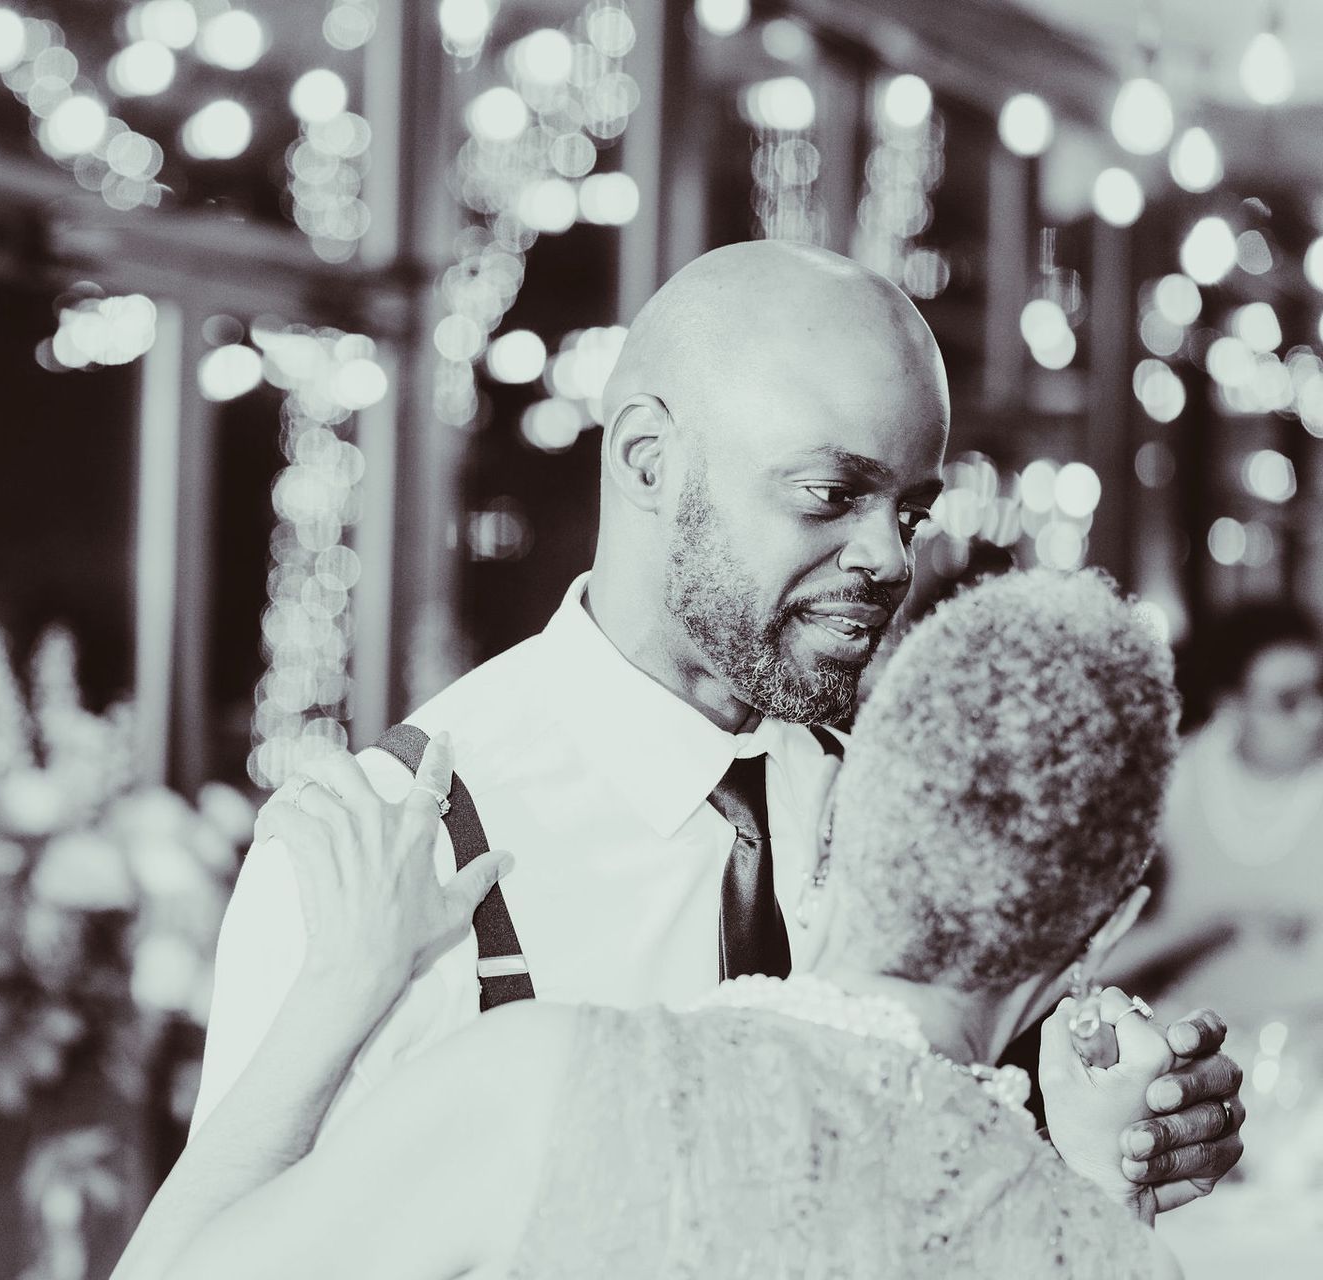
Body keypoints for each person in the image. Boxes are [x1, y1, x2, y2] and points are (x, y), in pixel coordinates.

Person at [187, 241, 1241, 1196]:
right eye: (831, 495)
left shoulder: (906, 801)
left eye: (910, 510)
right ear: (648, 459)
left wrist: (1090, 1134)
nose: (888, 558)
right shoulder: (383, 845)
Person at [117, 570, 1199, 1277]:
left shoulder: (547, 1082)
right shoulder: (1093, 1247)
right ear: (1105, 927)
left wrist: (336, 993)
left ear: (831, 825)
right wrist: (1105, 1189)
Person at [1112, 603, 1323, 1039]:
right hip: (1190, 1047)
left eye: (1319, 690)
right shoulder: (1170, 787)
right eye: (1287, 700)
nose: (1313, 715)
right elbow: (1101, 960)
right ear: (1231, 704)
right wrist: (1222, 923)